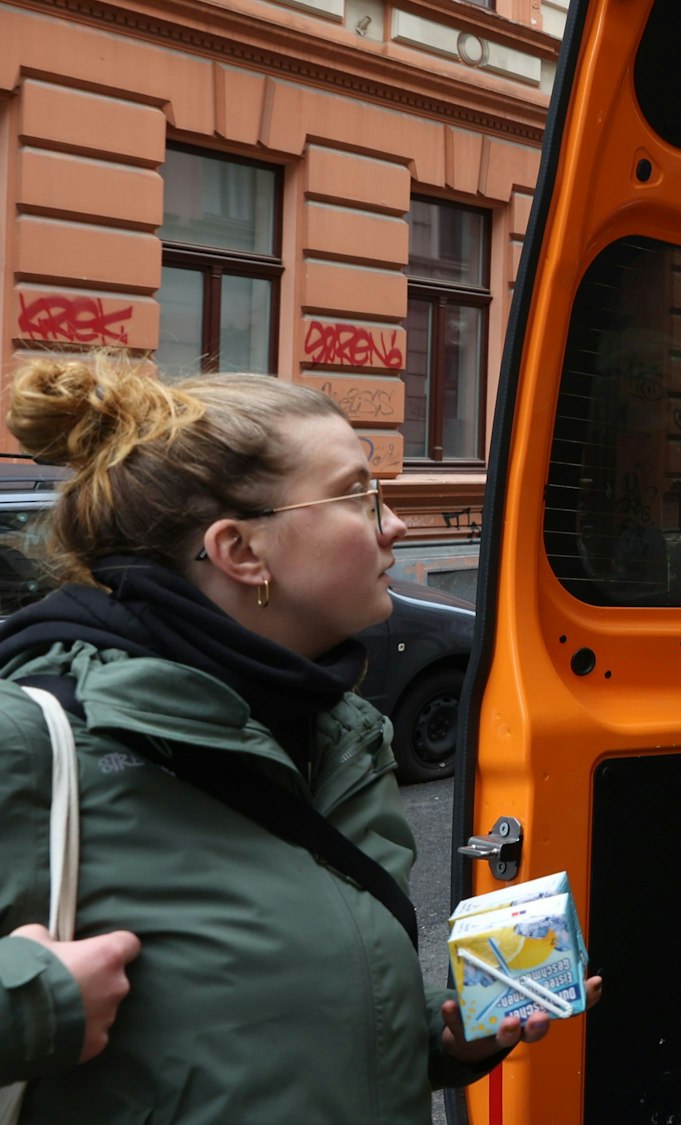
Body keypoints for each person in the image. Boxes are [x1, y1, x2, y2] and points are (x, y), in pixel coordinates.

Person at [0, 355, 601, 1122]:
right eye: (359, 494)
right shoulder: (34, 735)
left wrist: (445, 1034)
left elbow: (272, 1034)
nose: (394, 524)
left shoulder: (338, 736)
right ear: (240, 551)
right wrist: (36, 1003)